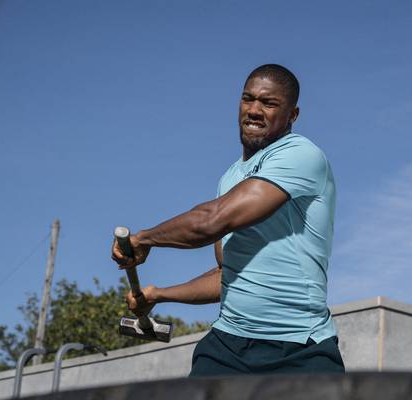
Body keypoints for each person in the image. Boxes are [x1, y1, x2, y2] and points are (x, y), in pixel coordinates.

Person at [111, 64, 344, 376]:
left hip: (298, 348)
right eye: (248, 99)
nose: (254, 110)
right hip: (228, 346)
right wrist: (160, 294)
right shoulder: (230, 178)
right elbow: (227, 274)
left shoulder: (301, 155)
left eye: (269, 103)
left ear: (293, 115)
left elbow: (212, 220)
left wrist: (143, 239)